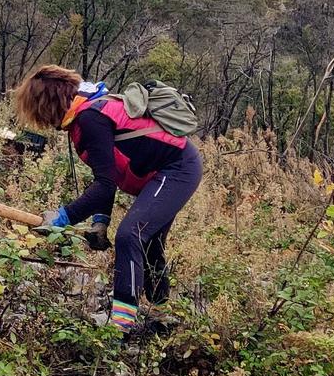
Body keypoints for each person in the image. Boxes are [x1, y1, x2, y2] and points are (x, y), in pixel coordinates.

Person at [15, 64, 202, 334]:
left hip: (177, 169)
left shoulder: (90, 119)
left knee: (130, 235)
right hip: (164, 171)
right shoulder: (87, 112)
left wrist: (62, 217)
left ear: (46, 104)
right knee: (149, 243)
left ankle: (120, 329)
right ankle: (161, 317)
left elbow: (105, 185)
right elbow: (107, 175)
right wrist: (100, 221)